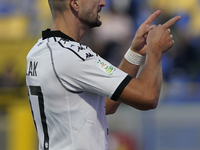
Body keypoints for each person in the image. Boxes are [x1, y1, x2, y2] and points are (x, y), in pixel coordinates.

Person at [26, 0, 181, 150]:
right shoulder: (72, 57)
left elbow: (104, 105)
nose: (103, 3)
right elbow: (148, 96)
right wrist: (155, 50)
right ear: (75, 3)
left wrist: (135, 53)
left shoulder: (38, 52)